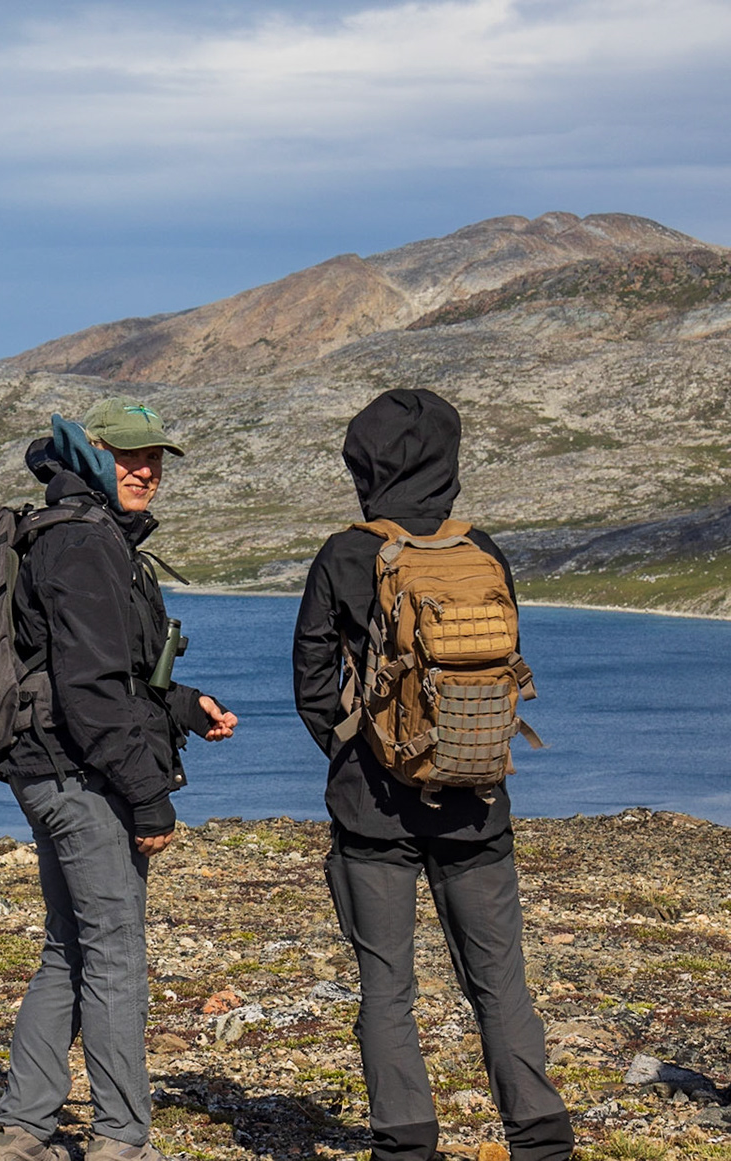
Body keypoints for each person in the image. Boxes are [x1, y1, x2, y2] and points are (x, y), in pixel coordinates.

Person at [291, 388, 574, 1161]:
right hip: (477, 803)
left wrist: (363, 759)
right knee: (500, 984)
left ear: (365, 465)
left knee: (388, 988)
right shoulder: (482, 549)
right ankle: (543, 1143)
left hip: (373, 814)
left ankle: (406, 1146)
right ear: (449, 460)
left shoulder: (344, 554)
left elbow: (313, 688)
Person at [0, 399, 237, 1161]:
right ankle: (122, 1139)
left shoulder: (78, 534)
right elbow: (93, 693)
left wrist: (185, 706)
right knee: (118, 952)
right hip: (78, 774)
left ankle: (21, 1129)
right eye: (129, 455)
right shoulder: (85, 543)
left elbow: (111, 674)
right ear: (91, 453)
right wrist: (148, 795)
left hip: (52, 765)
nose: (145, 470)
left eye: (155, 457)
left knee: (72, 945)